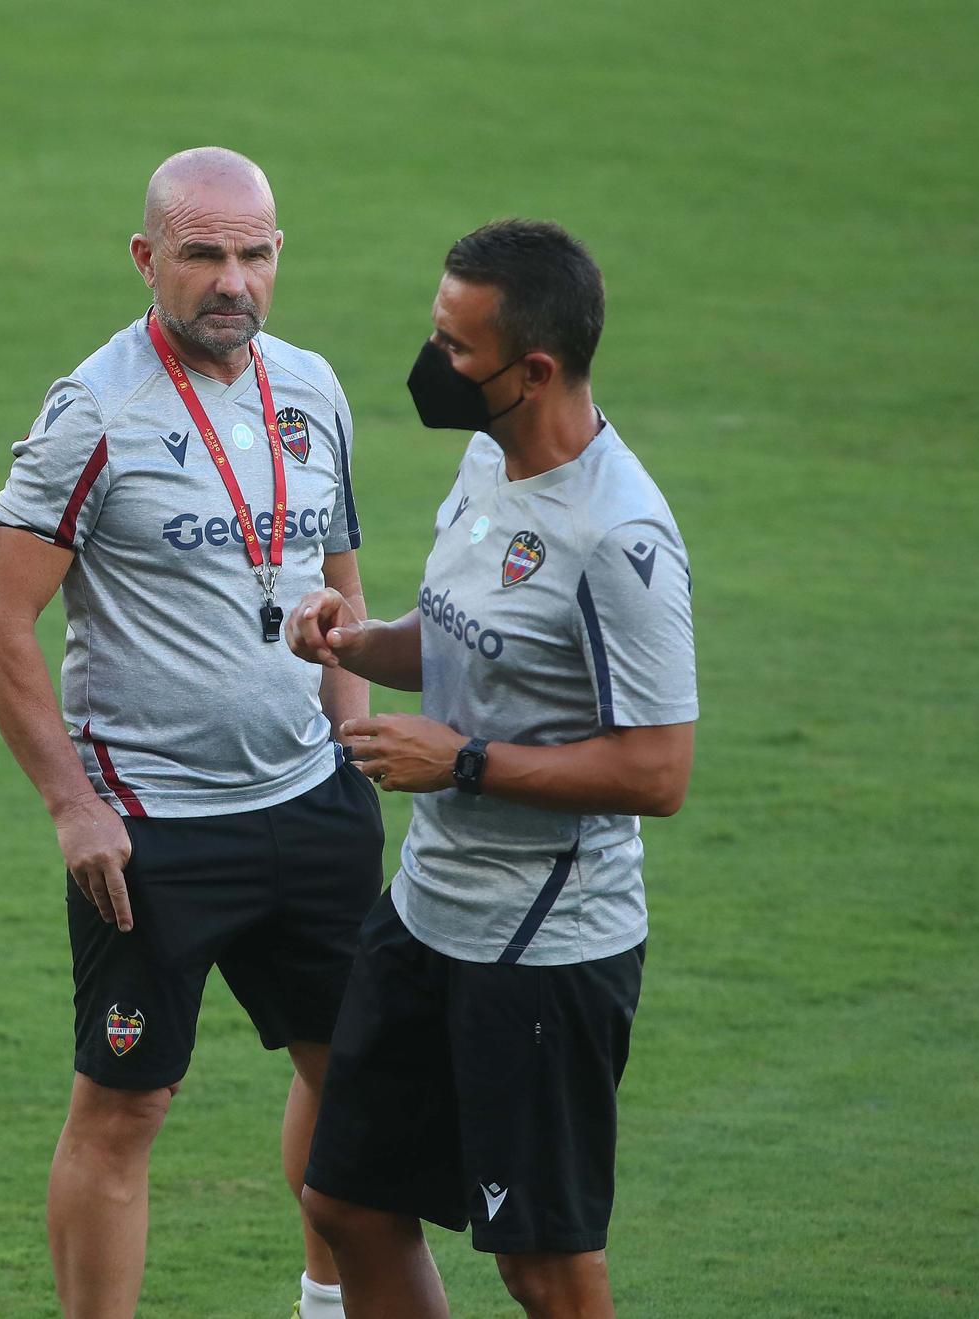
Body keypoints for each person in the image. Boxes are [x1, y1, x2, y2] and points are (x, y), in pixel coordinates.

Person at [0, 147, 384, 1319]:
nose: (230, 280)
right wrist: (71, 804)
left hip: (310, 801)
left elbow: (333, 573)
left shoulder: (312, 389)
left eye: (253, 253)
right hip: (155, 829)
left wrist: (352, 726)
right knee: (124, 1104)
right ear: (148, 259)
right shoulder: (93, 410)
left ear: (279, 255)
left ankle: (325, 1303)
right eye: (202, 253)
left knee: (349, 1076)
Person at [287, 219, 697, 1319]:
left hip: (544, 946)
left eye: (454, 348)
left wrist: (458, 759)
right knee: (348, 1201)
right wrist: (357, 641)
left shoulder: (619, 538)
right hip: (426, 909)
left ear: (535, 369)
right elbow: (464, 627)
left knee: (539, 1265)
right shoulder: (484, 456)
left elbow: (657, 769)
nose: (431, 367)